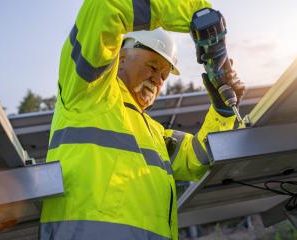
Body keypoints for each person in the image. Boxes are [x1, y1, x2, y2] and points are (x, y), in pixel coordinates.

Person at [40, 0, 245, 239]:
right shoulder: (88, 91)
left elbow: (197, 158)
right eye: (152, 66)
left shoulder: (155, 134)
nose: (158, 80)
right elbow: (106, 7)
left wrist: (221, 112)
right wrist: (198, 13)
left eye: (165, 75)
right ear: (121, 56)